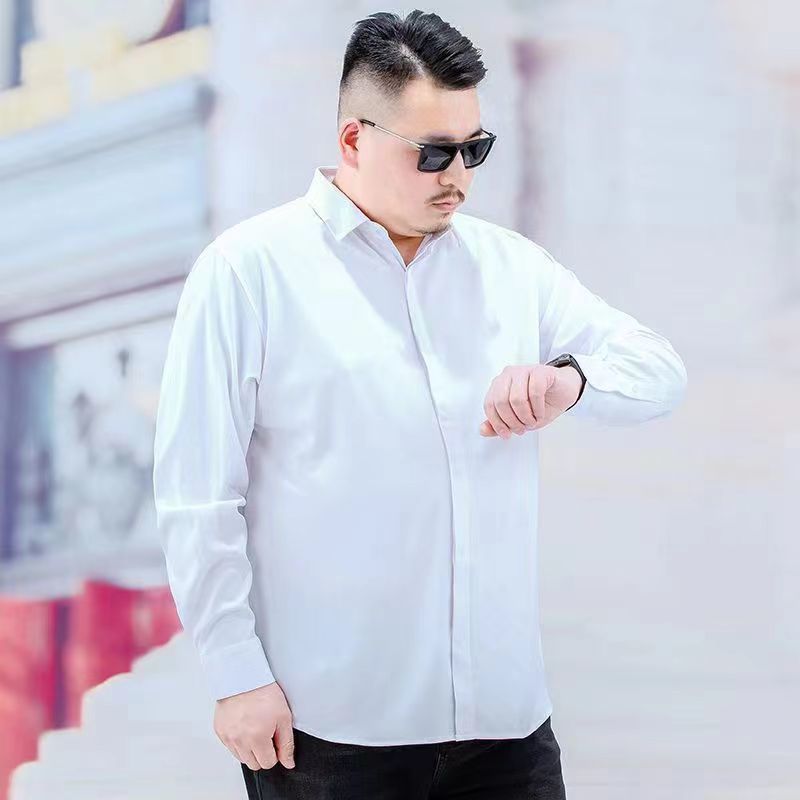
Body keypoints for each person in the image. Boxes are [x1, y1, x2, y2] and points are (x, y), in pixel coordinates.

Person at [152, 9, 688, 799]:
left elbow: (659, 369)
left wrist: (569, 380)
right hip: (331, 732)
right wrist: (235, 676)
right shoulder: (248, 272)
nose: (458, 176)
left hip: (506, 728)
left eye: (475, 148)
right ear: (353, 140)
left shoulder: (512, 269)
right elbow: (198, 495)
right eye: (433, 152)